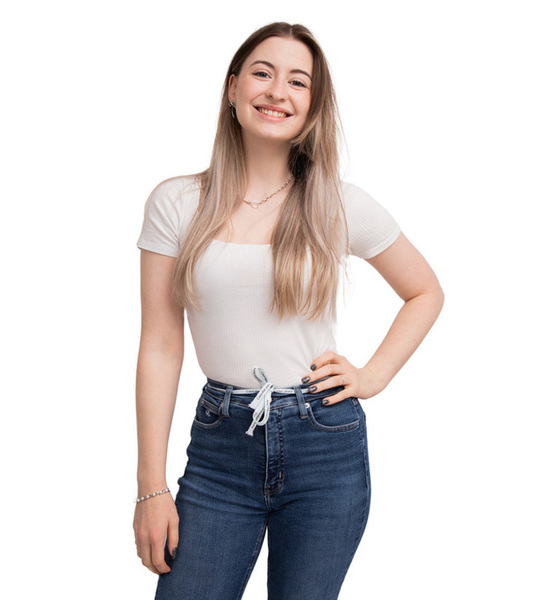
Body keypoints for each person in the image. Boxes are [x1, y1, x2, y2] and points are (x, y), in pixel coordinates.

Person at [133, 21, 444, 600]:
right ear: (233, 88)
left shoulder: (337, 204)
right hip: (221, 446)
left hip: (323, 442)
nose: (278, 91)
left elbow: (425, 291)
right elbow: (160, 346)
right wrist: (151, 487)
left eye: (298, 81)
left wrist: (372, 375)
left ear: (312, 106)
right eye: (262, 73)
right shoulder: (176, 202)